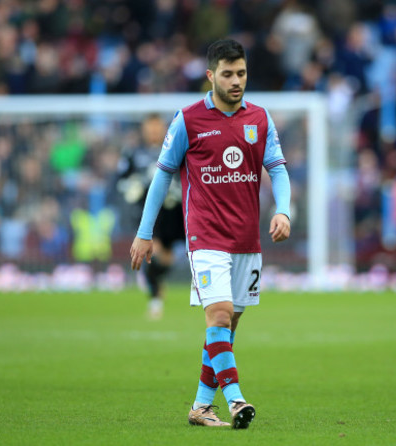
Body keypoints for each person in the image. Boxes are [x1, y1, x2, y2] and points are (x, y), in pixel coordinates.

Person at [130, 39, 291, 429]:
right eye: (228, 74)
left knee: (226, 329)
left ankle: (201, 407)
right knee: (217, 316)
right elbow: (163, 174)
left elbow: (279, 169)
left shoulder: (260, 119)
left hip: (246, 241)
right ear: (210, 75)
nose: (236, 81)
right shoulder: (187, 120)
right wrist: (144, 232)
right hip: (205, 238)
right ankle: (236, 401)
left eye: (241, 73)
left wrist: (283, 209)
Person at [117, 114, 185, 320]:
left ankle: (158, 282)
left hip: (174, 211)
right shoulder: (133, 153)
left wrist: (178, 189)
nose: (154, 131)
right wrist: (133, 187)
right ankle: (155, 299)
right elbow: (122, 181)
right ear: (144, 129)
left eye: (157, 127)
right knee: (152, 251)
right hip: (149, 212)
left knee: (166, 258)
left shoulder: (176, 148)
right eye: (150, 127)